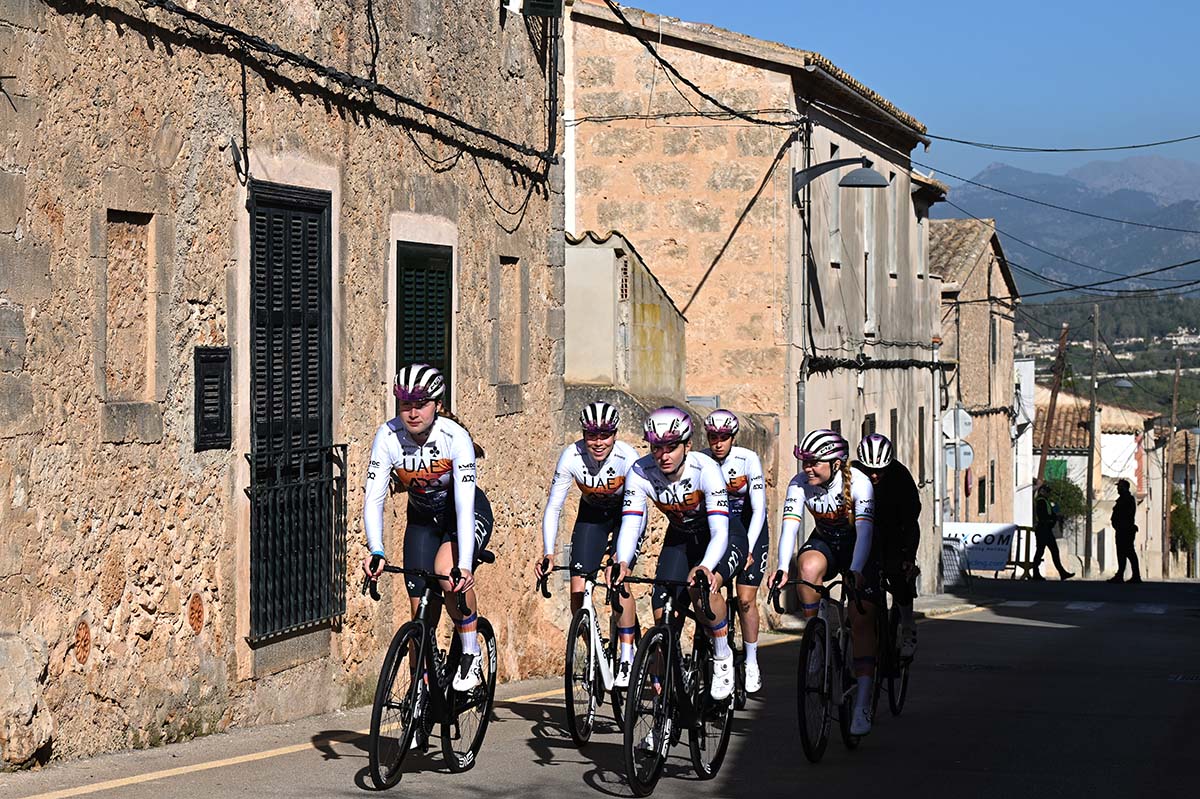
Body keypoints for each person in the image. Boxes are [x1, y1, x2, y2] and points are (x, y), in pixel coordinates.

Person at [361, 364, 494, 692]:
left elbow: (464, 505)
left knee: (447, 574)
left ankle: (471, 653)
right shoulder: (388, 437)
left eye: (421, 404)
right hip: (422, 521)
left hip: (462, 516)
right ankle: (419, 690)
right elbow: (374, 497)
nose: (412, 412)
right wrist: (376, 549)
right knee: (419, 611)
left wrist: (465, 566)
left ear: (437, 404)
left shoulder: (454, 438)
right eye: (406, 404)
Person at [612, 407, 744, 703]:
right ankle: (670, 693)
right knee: (663, 613)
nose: (663, 455)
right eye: (656, 447)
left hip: (720, 536)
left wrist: (706, 566)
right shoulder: (641, 471)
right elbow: (631, 521)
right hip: (681, 537)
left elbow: (720, 531)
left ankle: (722, 654)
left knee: (702, 588)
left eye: (671, 447)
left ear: (688, 445)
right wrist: (622, 561)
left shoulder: (705, 469)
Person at [769, 428, 878, 736]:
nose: (807, 468)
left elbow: (865, 533)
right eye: (804, 462)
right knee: (806, 566)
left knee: (861, 618)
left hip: (859, 548)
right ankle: (817, 636)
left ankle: (863, 703)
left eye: (814, 462)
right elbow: (790, 528)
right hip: (827, 542)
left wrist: (855, 570)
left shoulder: (860, 483)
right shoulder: (799, 484)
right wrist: (782, 567)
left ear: (836, 463)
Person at [535, 401, 642, 686]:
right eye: (591, 435)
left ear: (615, 434)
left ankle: (627, 655)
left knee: (619, 581)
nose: (598, 442)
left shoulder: (628, 458)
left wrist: (620, 557)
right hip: (591, 517)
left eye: (604, 435)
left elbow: (636, 511)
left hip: (626, 516)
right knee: (577, 591)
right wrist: (548, 552)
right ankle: (595, 651)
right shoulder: (572, 456)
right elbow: (554, 507)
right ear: (583, 434)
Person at [702, 409, 768, 694]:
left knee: (745, 599)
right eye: (712, 437)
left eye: (724, 437)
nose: (718, 443)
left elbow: (759, 508)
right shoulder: (701, 460)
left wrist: (749, 548)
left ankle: (751, 661)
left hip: (749, 527)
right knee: (707, 588)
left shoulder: (747, 459)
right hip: (719, 529)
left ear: (733, 437)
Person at [854, 433, 921, 659]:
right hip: (861, 532)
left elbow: (910, 519)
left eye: (880, 471)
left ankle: (908, 626)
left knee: (898, 572)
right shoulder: (852, 473)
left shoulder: (900, 476)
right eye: (869, 470)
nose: (874, 475)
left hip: (894, 531)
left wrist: (908, 556)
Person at [1032, 482, 1074, 581]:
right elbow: (1044, 516)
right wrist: (1053, 517)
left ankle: (1062, 572)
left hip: (1046, 529)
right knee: (1042, 551)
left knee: (1050, 551)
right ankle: (1036, 573)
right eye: (1047, 491)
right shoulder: (1041, 501)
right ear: (1042, 491)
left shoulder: (1045, 501)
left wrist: (1054, 514)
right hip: (1043, 529)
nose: (1048, 494)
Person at [1108, 478, 1142, 583]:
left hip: (1125, 530)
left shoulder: (1127, 499)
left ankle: (1135, 576)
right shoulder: (1122, 499)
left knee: (1129, 552)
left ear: (1124, 488)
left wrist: (1122, 525)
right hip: (1121, 529)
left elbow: (1126, 515)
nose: (1118, 489)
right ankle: (1120, 574)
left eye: (1119, 487)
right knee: (1122, 553)